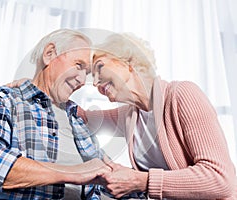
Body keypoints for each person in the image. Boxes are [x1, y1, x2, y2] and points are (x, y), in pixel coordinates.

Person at [74, 33, 237, 199]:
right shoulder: (130, 115)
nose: (94, 83)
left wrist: (142, 181)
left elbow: (220, 178)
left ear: (128, 62)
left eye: (100, 68)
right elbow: (83, 117)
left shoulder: (182, 95)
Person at [0, 29, 111, 199]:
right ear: (49, 54)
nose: (82, 80)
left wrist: (143, 180)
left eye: (87, 73)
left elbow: (112, 174)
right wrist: (72, 173)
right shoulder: (0, 99)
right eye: (79, 65)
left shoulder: (78, 120)